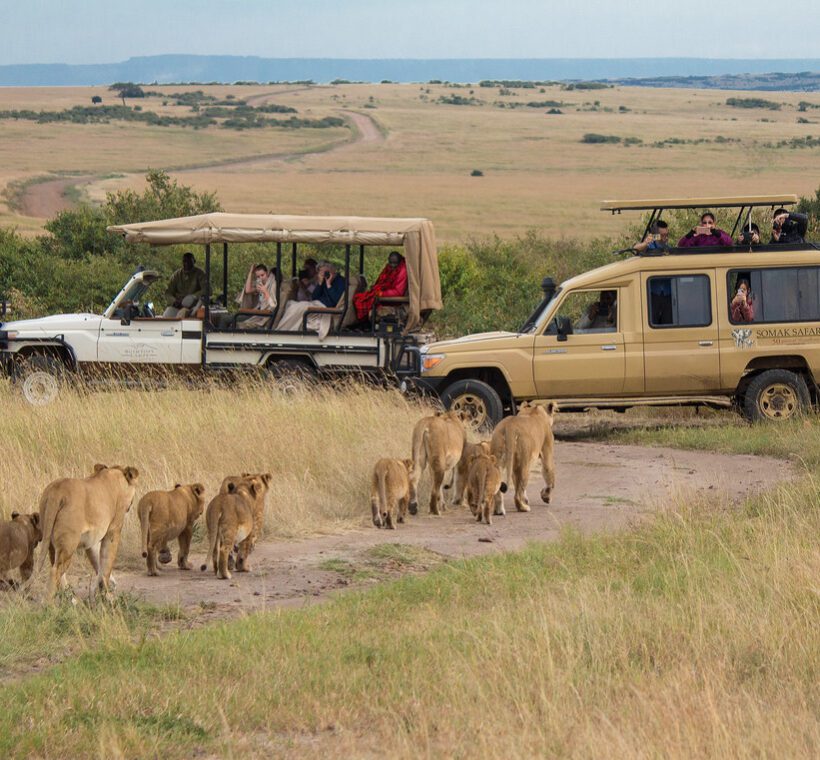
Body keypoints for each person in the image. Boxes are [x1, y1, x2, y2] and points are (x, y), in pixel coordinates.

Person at [276, 261, 346, 339]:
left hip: (325, 307)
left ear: (331, 270)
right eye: (320, 272)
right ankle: (286, 329)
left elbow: (336, 300)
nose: (323, 274)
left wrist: (329, 285)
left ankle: (281, 331)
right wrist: (320, 283)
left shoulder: (340, 281)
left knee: (298, 307)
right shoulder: (324, 280)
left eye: (325, 272)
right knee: (290, 304)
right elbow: (314, 297)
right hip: (316, 304)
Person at [351, 251, 408, 325]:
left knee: (366, 301)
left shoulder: (403, 270)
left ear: (400, 261)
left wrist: (381, 293)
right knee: (360, 298)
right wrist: (376, 288)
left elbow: (398, 292)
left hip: (394, 300)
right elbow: (381, 281)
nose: (392, 265)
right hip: (385, 296)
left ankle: (364, 323)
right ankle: (360, 324)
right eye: (391, 263)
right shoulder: (388, 267)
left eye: (395, 263)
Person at [163, 252, 207, 317]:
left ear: (194, 261)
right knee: (167, 315)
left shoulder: (200, 274)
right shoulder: (177, 275)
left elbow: (207, 289)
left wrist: (194, 296)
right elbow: (168, 293)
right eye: (184, 261)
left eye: (189, 261)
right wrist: (174, 301)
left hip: (194, 308)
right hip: (178, 307)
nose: (186, 264)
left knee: (186, 315)